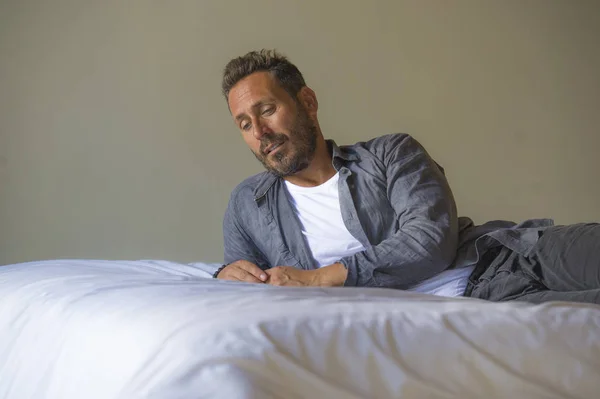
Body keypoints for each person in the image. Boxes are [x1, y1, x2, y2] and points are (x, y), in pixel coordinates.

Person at [214, 49, 600, 304]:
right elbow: (244, 284)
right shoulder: (247, 204)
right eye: (245, 124)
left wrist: (317, 279)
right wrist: (226, 273)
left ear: (308, 103)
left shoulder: (391, 153)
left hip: (503, 260)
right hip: (487, 301)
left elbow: (429, 242)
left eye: (266, 110)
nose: (259, 134)